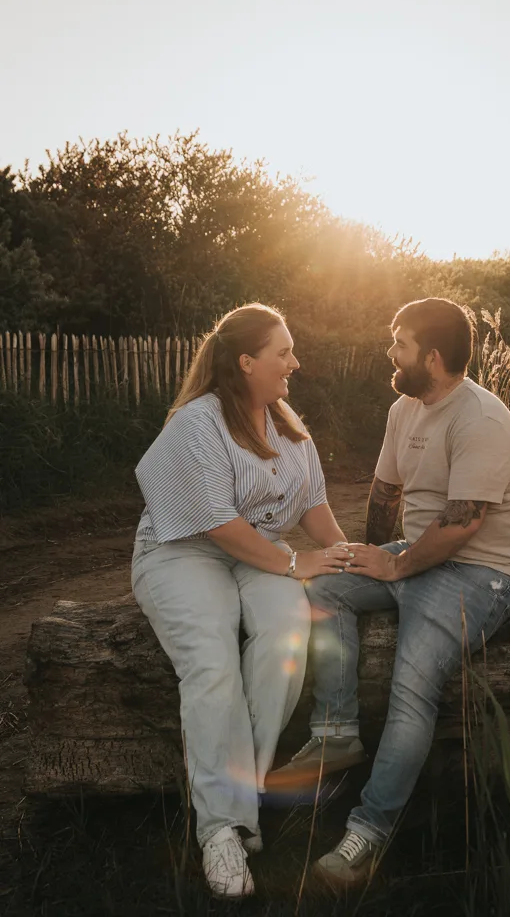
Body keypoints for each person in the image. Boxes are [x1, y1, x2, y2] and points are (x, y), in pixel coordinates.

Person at [268, 297, 510, 887]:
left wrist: (397, 570)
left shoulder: (481, 420)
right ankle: (335, 733)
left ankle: (368, 833)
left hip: (485, 572)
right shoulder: (404, 409)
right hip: (421, 555)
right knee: (326, 585)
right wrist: (369, 557)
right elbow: (386, 493)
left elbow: (464, 524)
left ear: (433, 357)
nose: (390, 352)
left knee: (411, 684)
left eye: (400, 343)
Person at [131, 303, 352, 899]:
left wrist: (350, 555)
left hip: (258, 552)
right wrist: (295, 562)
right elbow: (218, 525)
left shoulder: (285, 422)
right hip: (182, 550)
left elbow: (311, 505)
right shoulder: (195, 423)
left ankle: (244, 795)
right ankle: (220, 829)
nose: (294, 363)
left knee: (285, 635)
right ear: (245, 361)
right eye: (283, 352)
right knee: (211, 659)